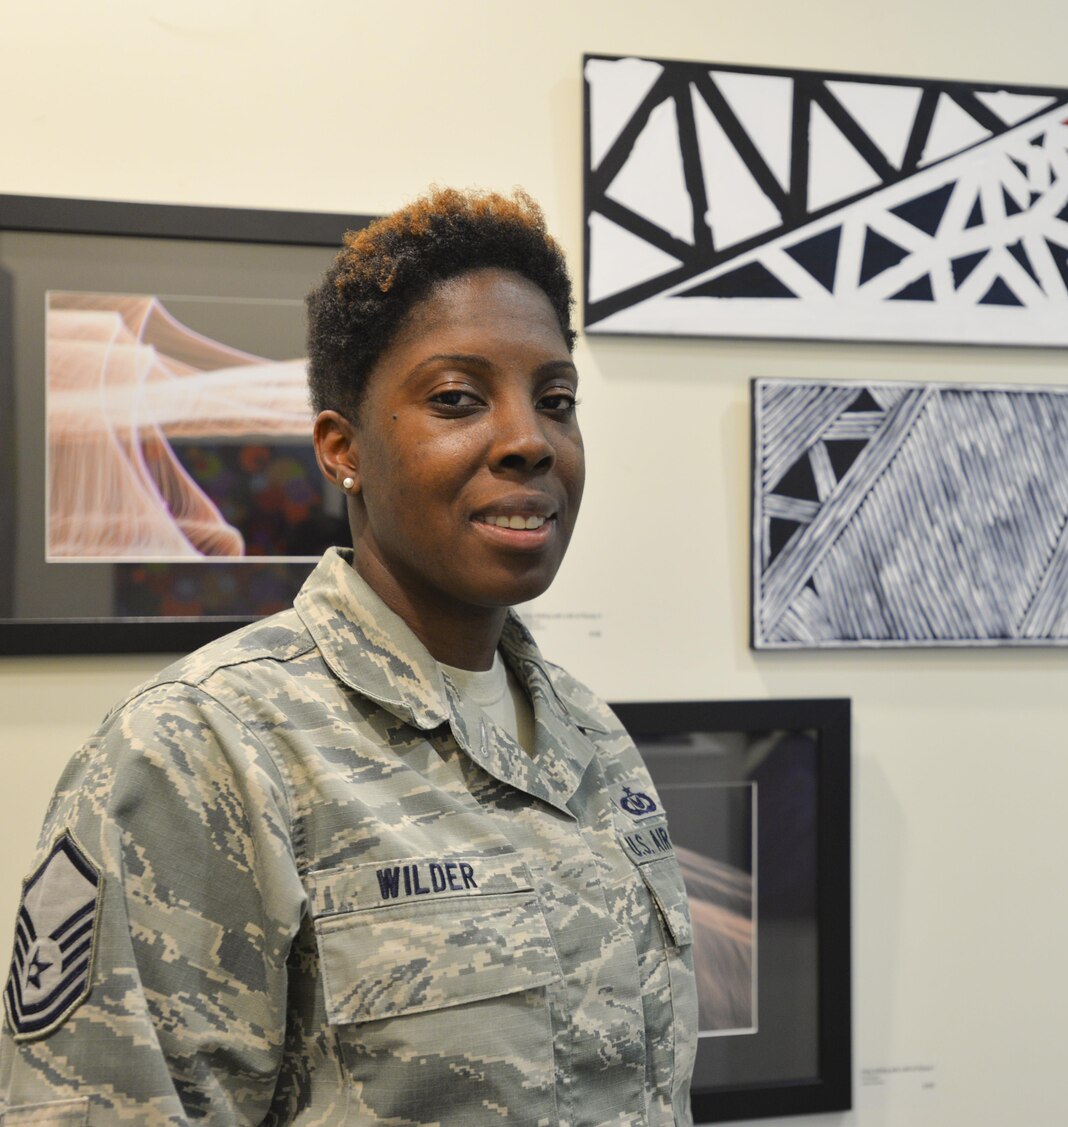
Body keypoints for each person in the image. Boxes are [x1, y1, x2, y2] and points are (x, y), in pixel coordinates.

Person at [0, 188, 697, 1125]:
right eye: (457, 399)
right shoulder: (202, 750)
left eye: (556, 400)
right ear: (342, 449)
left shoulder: (591, 740)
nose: (529, 441)